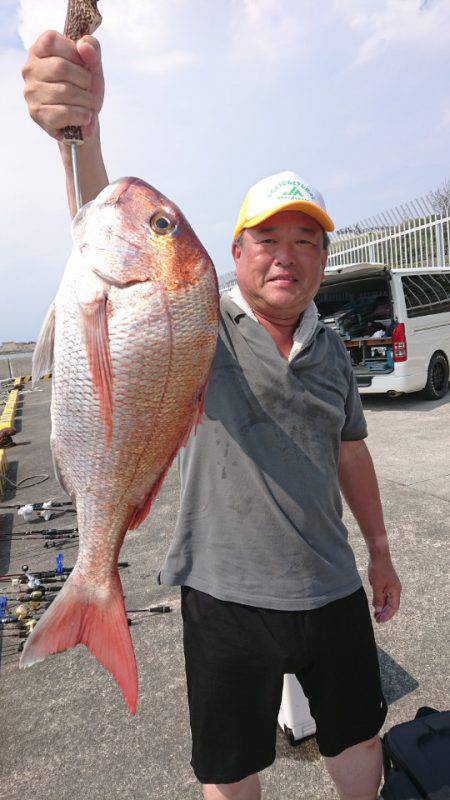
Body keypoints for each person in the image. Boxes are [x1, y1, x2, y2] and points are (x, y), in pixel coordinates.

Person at [22, 32, 402, 800]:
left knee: (360, 741)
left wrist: (381, 550)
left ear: (325, 260)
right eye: (267, 240)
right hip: (222, 597)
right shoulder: (203, 332)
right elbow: (113, 241)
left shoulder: (331, 351)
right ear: (236, 250)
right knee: (230, 772)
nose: (286, 257)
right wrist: (83, 131)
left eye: (307, 242)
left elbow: (351, 453)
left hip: (331, 588)